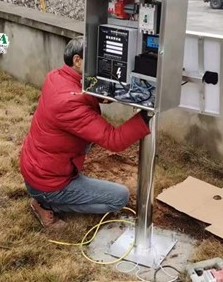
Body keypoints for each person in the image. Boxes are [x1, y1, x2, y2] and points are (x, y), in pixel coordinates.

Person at [20, 37, 151, 229]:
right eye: (96, 61)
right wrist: (146, 115)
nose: (101, 66)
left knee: (88, 137)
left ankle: (49, 193)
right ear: (77, 60)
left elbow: (77, 94)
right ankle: (46, 203)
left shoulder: (55, 76)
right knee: (119, 197)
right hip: (47, 183)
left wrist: (100, 96)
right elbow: (114, 141)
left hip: (36, 167)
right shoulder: (69, 104)